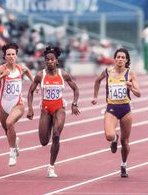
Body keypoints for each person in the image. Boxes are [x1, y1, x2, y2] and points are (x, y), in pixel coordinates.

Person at [27, 45, 80, 178]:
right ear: (45, 61)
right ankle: (48, 126)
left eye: (52, 59)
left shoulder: (63, 74)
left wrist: (74, 104)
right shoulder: (40, 75)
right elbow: (30, 91)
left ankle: (51, 167)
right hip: (45, 109)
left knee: (56, 135)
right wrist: (30, 108)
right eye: (47, 59)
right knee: (44, 141)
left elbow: (76, 89)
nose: (49, 61)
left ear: (57, 61)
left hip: (59, 108)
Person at [91, 48, 141, 178]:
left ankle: (124, 164)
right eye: (118, 57)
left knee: (125, 141)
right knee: (109, 135)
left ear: (126, 60)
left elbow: (138, 93)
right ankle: (114, 139)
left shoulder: (130, 74)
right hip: (112, 108)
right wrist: (95, 96)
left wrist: (131, 87)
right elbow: (97, 81)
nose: (120, 59)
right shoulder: (108, 71)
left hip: (125, 109)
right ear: (114, 59)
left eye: (122, 57)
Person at [0, 42, 34, 166]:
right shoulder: (1, 69)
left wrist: (36, 85)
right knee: (7, 130)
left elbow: (28, 72)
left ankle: (13, 152)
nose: (11, 56)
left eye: (13, 54)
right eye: (8, 54)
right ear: (4, 56)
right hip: (3, 104)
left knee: (9, 123)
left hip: (17, 104)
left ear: (16, 56)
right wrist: (2, 75)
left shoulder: (20, 68)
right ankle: (15, 142)